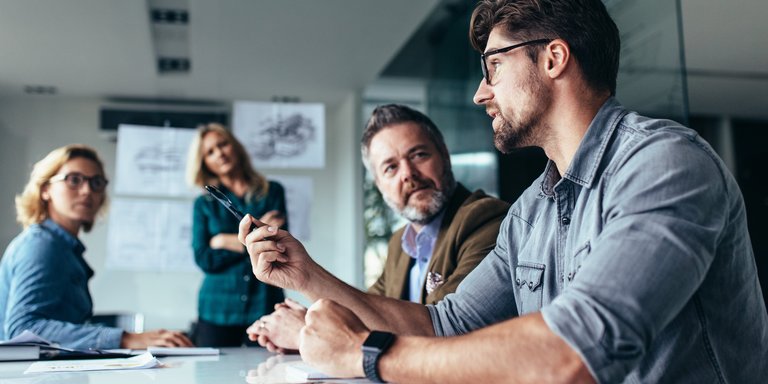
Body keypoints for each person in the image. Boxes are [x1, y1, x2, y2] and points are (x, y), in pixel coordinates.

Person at [238, 0, 768, 382]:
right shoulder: (533, 209)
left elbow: (574, 353)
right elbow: (443, 325)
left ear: (553, 59)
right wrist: (304, 274)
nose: (479, 92)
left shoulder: (664, 163)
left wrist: (364, 354)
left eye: (494, 65)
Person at [246, 105, 510, 352]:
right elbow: (367, 312)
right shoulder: (401, 242)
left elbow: (442, 332)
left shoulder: (486, 219)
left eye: (418, 155)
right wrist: (311, 318)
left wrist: (307, 331)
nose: (408, 173)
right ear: (379, 185)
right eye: (390, 167)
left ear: (444, 155)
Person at [0, 144, 193, 350]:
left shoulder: (64, 248)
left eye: (96, 182)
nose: (87, 191)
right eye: (73, 180)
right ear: (45, 189)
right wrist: (125, 338)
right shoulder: (41, 246)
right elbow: (23, 329)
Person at [187, 123, 287, 347]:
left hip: (264, 303)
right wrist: (253, 241)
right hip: (217, 309)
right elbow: (204, 258)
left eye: (223, 145)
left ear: (235, 147)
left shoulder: (272, 192)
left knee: (268, 374)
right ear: (204, 163)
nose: (219, 153)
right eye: (210, 152)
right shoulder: (204, 204)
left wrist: (222, 241)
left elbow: (277, 246)